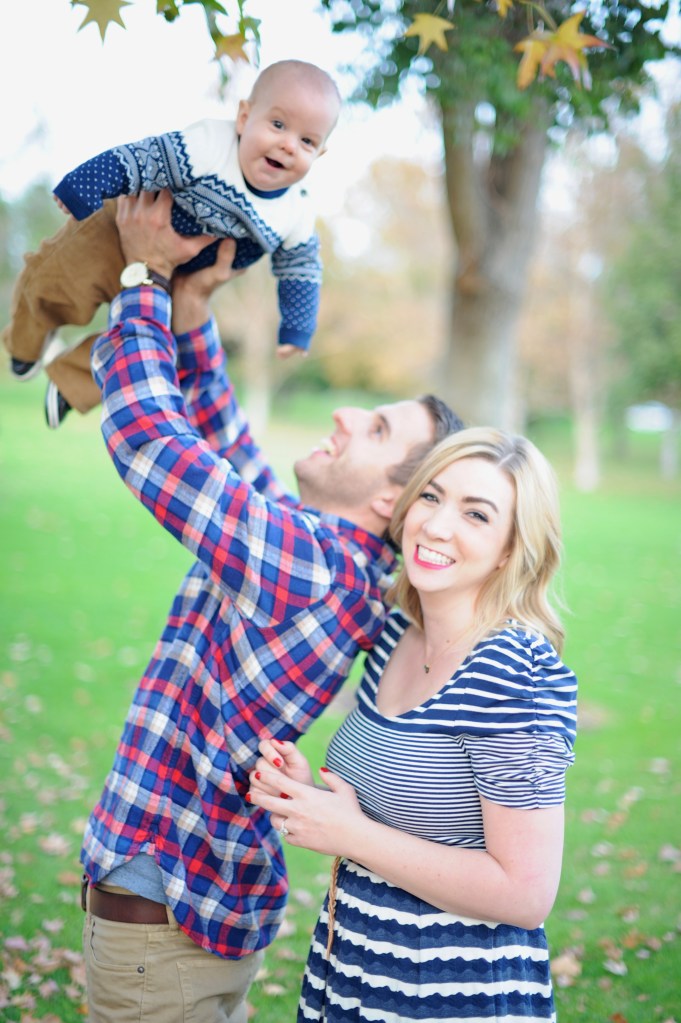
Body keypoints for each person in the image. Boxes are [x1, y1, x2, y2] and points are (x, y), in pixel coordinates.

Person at [78, 188, 462, 1023]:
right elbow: (226, 447)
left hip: (161, 926)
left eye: (376, 429)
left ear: (390, 499)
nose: (344, 413)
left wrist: (140, 279)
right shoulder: (331, 560)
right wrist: (190, 311)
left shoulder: (306, 566)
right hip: (198, 915)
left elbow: (151, 437)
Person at [248, 427, 578, 1023]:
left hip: (454, 995)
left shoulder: (513, 672)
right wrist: (312, 800)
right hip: (353, 972)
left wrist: (348, 833)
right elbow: (402, 816)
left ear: (511, 548)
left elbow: (526, 894)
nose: (437, 525)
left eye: (476, 514)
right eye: (431, 496)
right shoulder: (397, 633)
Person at [2, 59, 341, 428]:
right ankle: (25, 343)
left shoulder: (296, 211)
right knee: (58, 279)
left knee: (164, 344)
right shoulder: (211, 144)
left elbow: (301, 269)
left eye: (307, 141)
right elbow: (147, 158)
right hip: (119, 229)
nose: (289, 145)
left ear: (320, 153)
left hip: (178, 274)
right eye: (278, 125)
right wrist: (87, 184)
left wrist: (297, 325)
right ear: (244, 118)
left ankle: (71, 384)